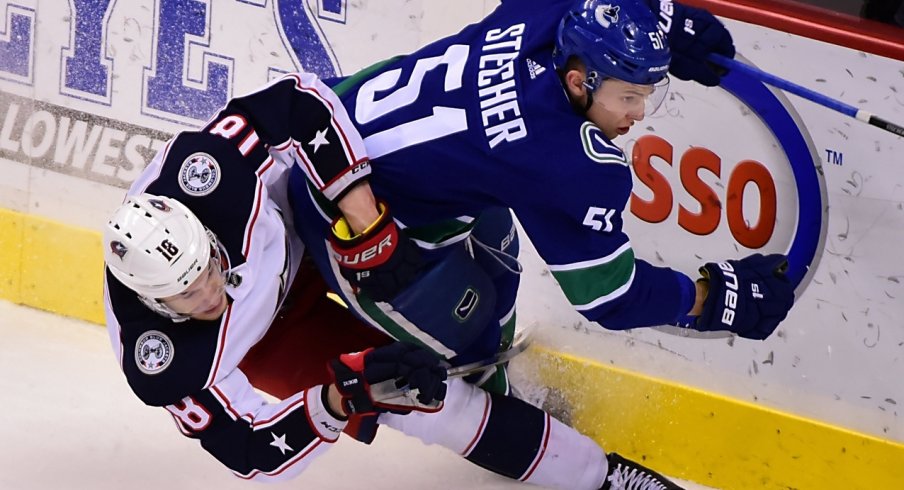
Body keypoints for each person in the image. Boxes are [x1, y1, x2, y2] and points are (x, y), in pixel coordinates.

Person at [102, 71, 688, 488]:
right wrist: (339, 400)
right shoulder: (163, 362)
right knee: (424, 403)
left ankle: (495, 370)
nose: (209, 291)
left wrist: (364, 217)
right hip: (270, 335)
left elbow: (299, 103)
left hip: (311, 222)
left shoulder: (209, 176)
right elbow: (251, 453)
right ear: (151, 300)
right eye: (186, 293)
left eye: (206, 267)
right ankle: (597, 476)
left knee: (458, 248)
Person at [287, 0, 796, 379]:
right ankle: (505, 418)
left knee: (500, 258)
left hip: (330, 121)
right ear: (579, 83)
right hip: (347, 213)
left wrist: (659, 19)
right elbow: (610, 297)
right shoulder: (568, 163)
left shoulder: (546, 12)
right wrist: (715, 298)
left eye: (647, 95)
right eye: (628, 96)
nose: (639, 115)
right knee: (470, 352)